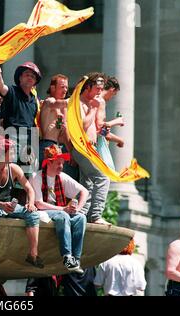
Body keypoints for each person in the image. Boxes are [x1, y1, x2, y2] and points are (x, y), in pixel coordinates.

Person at [0, 138, 44, 268]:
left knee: (34, 215)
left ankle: (33, 254)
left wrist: (30, 203)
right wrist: (0, 204)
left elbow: (29, 189)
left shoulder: (14, 168)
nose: (15, 155)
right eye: (12, 152)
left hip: (9, 207)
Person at [30, 144, 88, 273]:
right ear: (49, 163)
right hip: (41, 213)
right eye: (58, 163)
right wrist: (63, 209)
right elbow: (39, 203)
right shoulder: (36, 177)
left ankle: (76, 259)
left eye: (62, 163)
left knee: (81, 218)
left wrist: (77, 208)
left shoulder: (62, 177)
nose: (61, 167)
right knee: (64, 216)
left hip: (59, 211)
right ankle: (67, 256)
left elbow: (84, 191)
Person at [70, 73, 111, 225]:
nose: (100, 92)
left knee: (87, 183)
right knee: (102, 178)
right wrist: (93, 109)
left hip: (90, 148)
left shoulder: (91, 103)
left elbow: (96, 127)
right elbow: (82, 126)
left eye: (101, 89)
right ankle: (95, 215)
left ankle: (82, 215)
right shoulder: (79, 103)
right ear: (88, 87)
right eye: (97, 88)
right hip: (83, 147)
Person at [0, 62, 42, 172]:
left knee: (27, 176)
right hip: (12, 140)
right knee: (10, 174)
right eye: (27, 74)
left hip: (28, 142)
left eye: (33, 76)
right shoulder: (12, 91)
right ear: (20, 77)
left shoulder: (34, 101)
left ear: (35, 82)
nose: (30, 77)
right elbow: (1, 87)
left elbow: (33, 124)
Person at [39, 74, 78, 178]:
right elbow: (54, 103)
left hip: (56, 146)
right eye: (62, 87)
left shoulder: (63, 108)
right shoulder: (49, 101)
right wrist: (75, 98)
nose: (65, 90)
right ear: (53, 88)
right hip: (47, 146)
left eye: (66, 87)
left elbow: (63, 131)